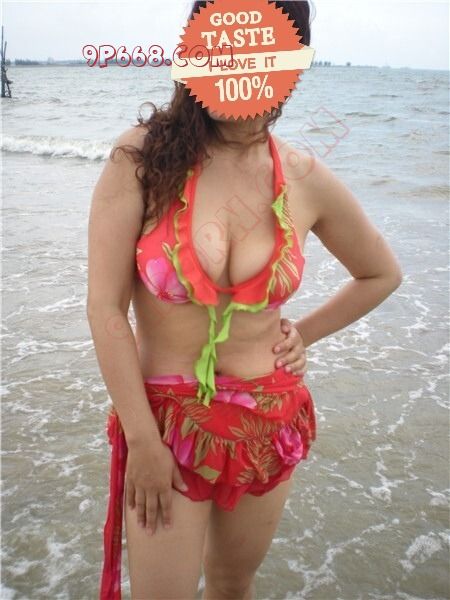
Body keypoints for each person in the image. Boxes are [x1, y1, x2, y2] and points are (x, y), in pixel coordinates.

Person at [87, 1, 403, 598]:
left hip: (268, 421)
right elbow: (105, 308)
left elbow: (380, 273)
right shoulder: (141, 159)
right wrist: (143, 440)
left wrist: (302, 334)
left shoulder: (302, 177)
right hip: (167, 428)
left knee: (233, 584)